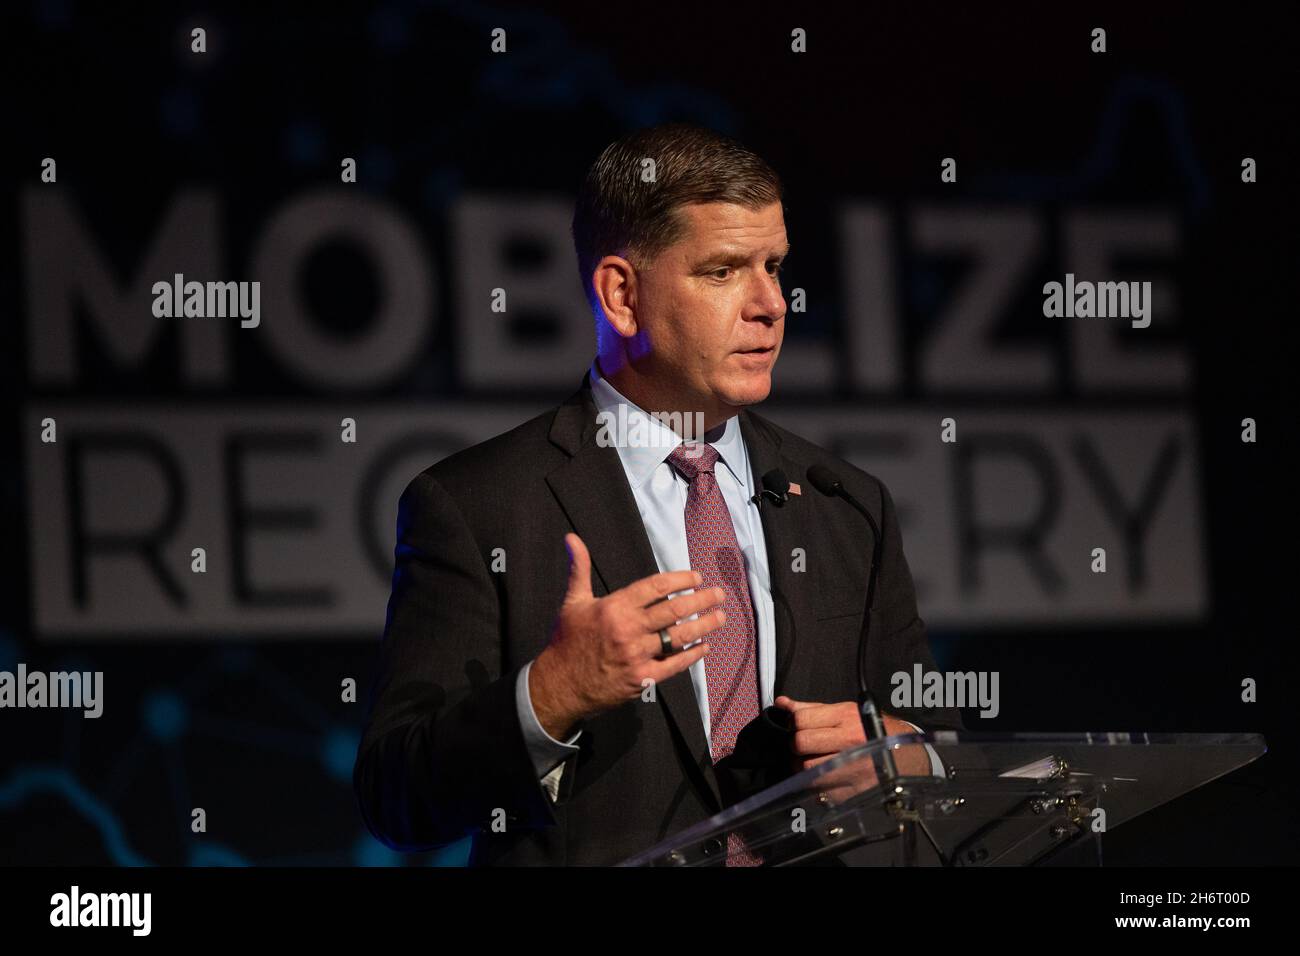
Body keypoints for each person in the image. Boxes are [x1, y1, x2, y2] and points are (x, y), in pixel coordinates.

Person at [353, 123, 960, 866]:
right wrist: (550, 695)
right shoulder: (478, 506)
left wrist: (906, 755)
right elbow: (396, 796)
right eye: (723, 271)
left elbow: (929, 728)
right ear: (621, 294)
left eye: (774, 266)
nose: (770, 303)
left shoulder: (847, 503)